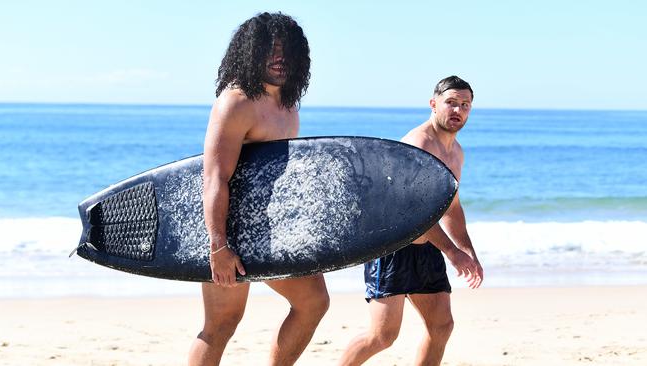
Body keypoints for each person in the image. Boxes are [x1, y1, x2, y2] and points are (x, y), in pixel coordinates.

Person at [188, 12, 329, 366]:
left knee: (313, 302)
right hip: (230, 233)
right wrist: (218, 245)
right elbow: (215, 177)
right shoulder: (236, 102)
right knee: (220, 325)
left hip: (270, 229)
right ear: (251, 52)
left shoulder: (287, 107)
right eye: (270, 50)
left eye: (286, 50)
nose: (279, 58)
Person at [338, 76, 484, 366]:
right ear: (433, 104)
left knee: (441, 326)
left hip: (427, 246)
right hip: (392, 245)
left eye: (464, 105)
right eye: (451, 103)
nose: (457, 110)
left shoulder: (456, 153)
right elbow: (413, 212)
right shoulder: (419, 144)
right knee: (383, 336)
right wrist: (452, 253)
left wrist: (468, 251)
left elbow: (451, 207)